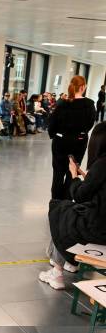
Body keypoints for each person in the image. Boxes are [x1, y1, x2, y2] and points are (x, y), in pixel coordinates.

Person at [39, 122, 106, 289]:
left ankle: (57, 272)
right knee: (67, 212)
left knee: (58, 210)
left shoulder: (102, 164)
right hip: (102, 222)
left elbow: (80, 195)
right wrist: (87, 177)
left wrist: (75, 176)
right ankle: (69, 261)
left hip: (98, 228)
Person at [48, 75, 96, 200]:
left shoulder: (63, 103)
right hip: (78, 143)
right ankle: (66, 205)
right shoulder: (89, 105)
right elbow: (90, 123)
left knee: (58, 174)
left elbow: (52, 122)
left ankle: (55, 204)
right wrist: (81, 133)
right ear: (83, 87)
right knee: (72, 174)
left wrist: (55, 135)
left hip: (60, 142)